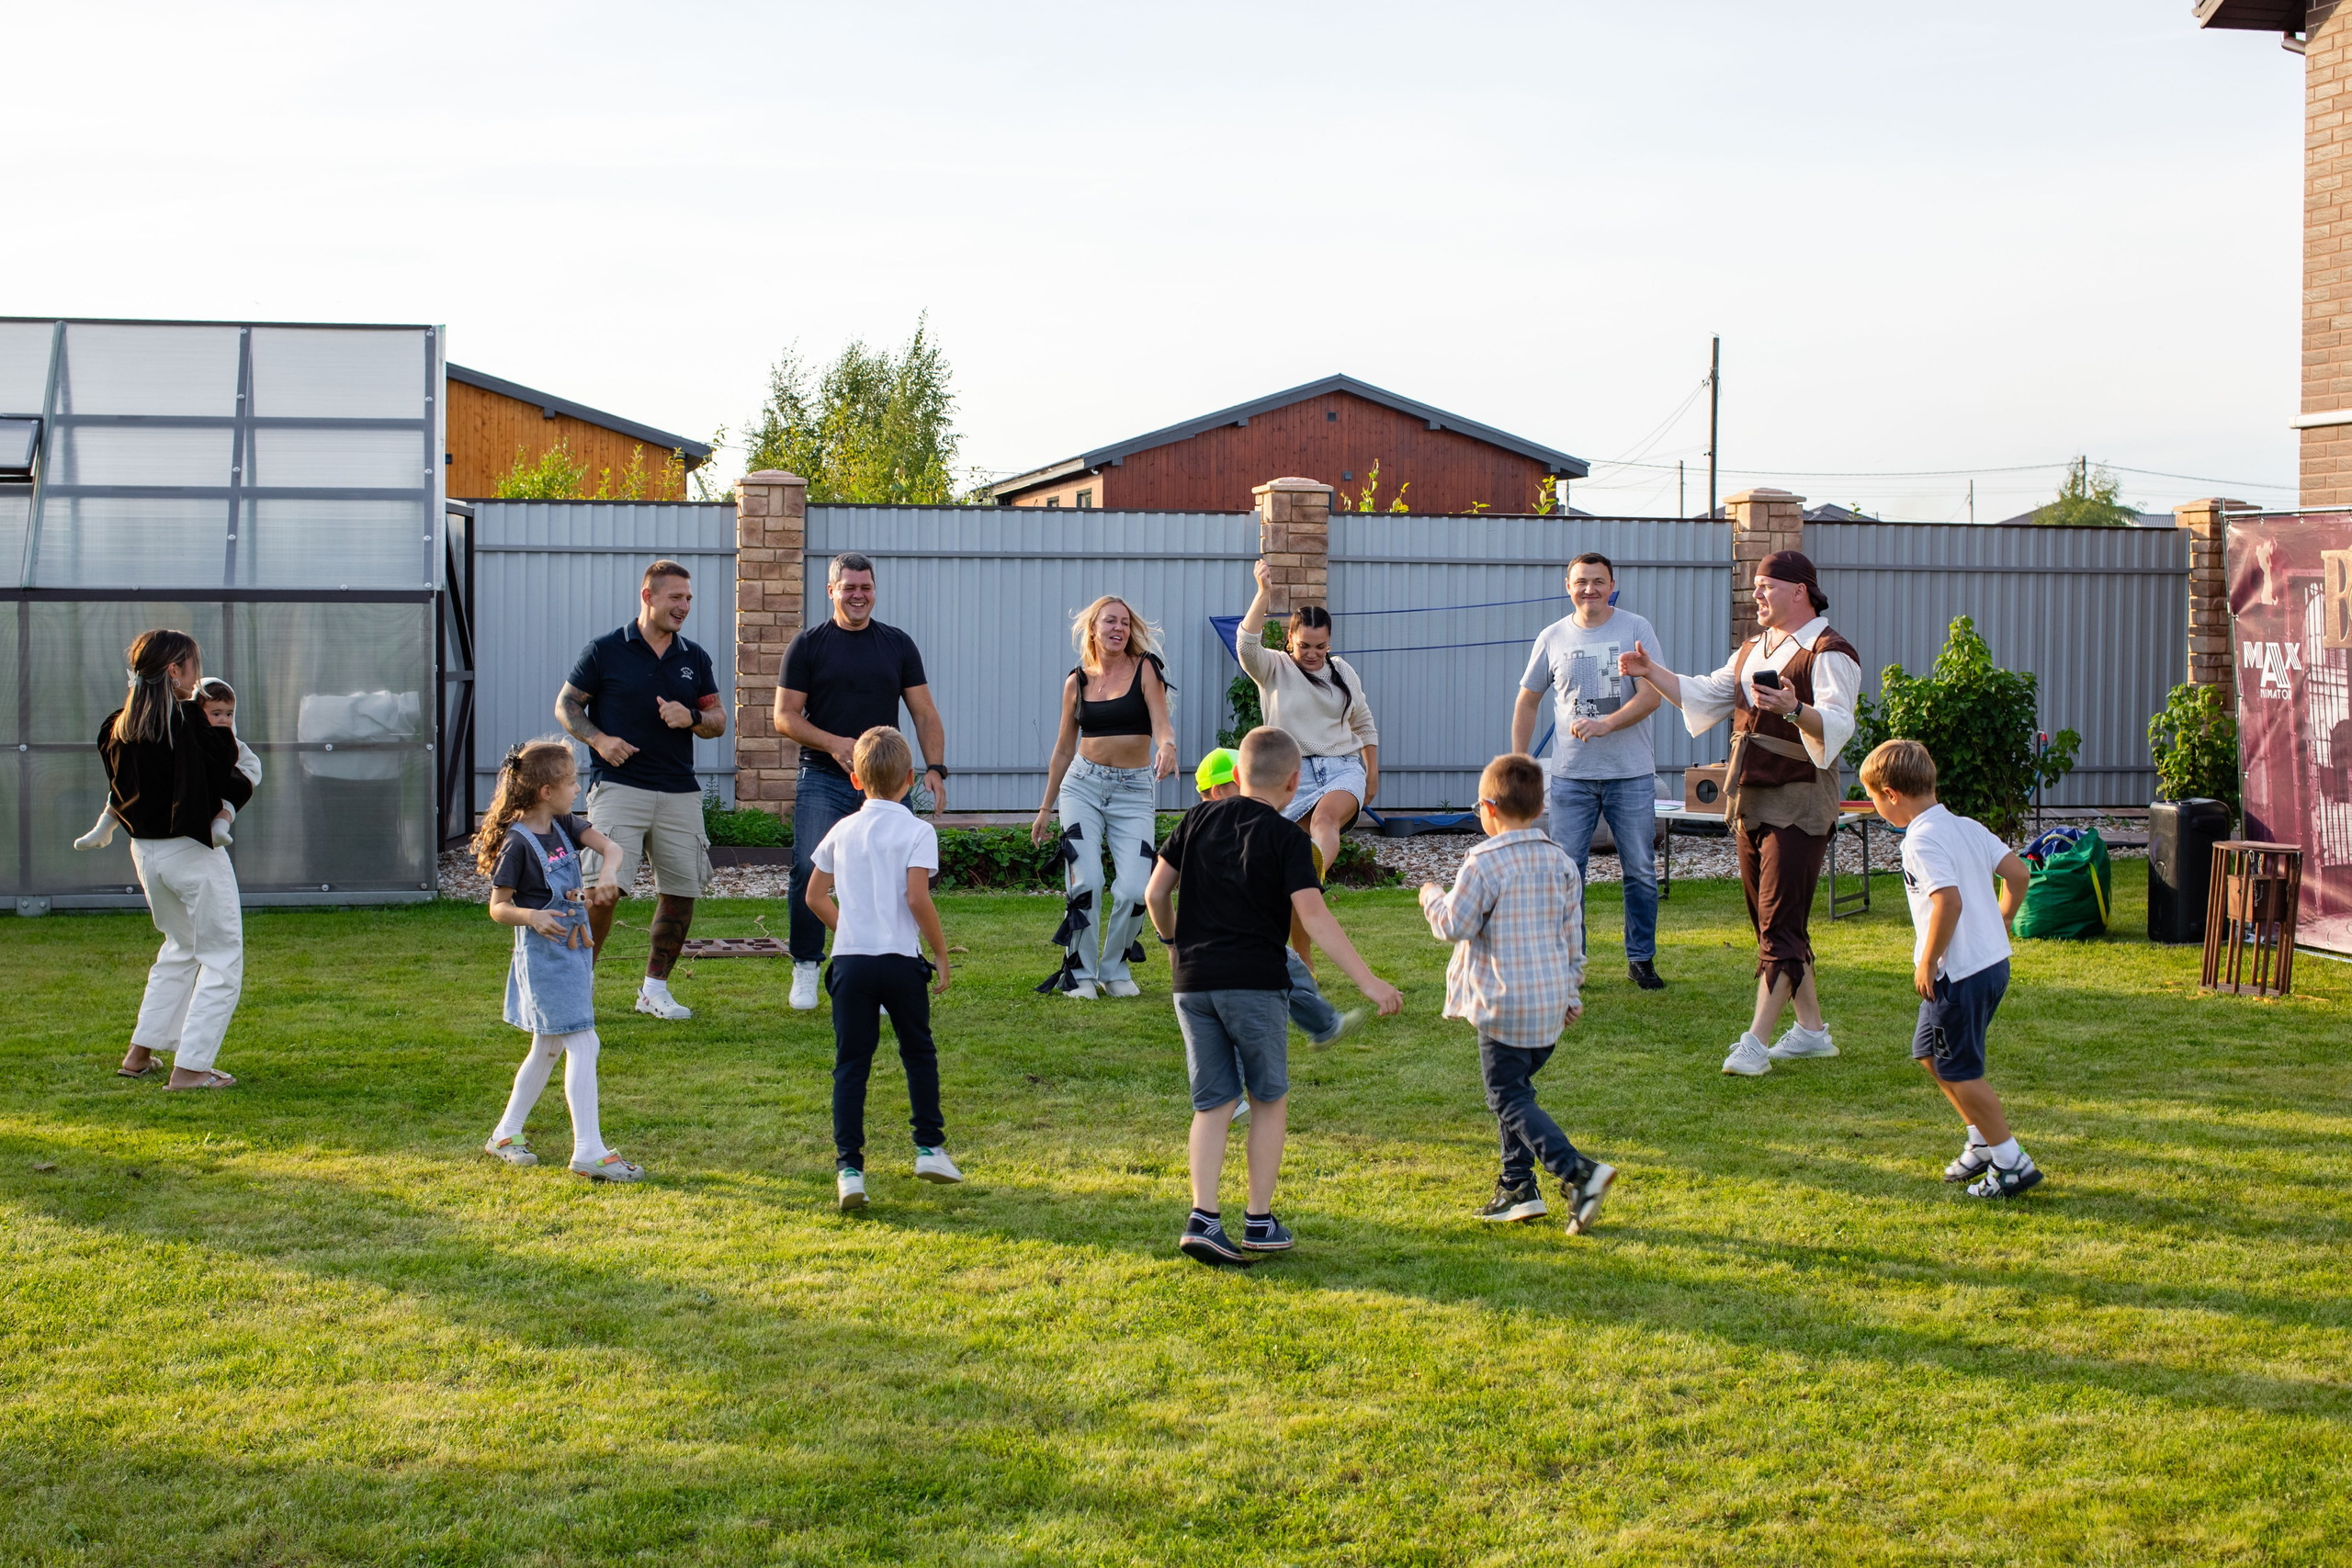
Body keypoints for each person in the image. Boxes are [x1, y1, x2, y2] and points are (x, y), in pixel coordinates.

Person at [1146, 726, 1403, 1268]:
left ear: (1237, 775)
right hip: (1255, 983)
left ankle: (1203, 1218)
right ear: (1294, 783)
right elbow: (1314, 917)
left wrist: (1172, 941)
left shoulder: (1194, 820)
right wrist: (1368, 982)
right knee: (1267, 1098)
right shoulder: (1290, 840)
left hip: (1192, 983)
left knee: (1212, 1102)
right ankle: (1259, 1222)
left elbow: (1155, 893)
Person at [1619, 551, 1861, 1077]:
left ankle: (1756, 1042)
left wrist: (1794, 709)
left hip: (1801, 796)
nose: (1756, 595)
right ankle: (1812, 1033)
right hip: (1751, 796)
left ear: (1799, 590)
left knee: (1778, 921)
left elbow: (1839, 725)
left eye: (1765, 585)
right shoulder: (1754, 649)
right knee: (1772, 921)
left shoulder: (1830, 651)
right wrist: (1650, 672)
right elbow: (1706, 694)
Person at [1419, 753, 1619, 1235]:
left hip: (1502, 1006)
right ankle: (1517, 1187)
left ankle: (1578, 1173)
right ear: (1540, 806)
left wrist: (1431, 897)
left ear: (1488, 808)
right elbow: (1573, 937)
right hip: (1549, 1005)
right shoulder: (1562, 862)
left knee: (1506, 1097)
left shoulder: (1484, 862)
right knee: (1517, 1091)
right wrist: (1572, 993)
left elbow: (1455, 924)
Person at [1860, 739, 2043, 1200]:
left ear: (1890, 794)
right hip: (1991, 964)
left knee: (1960, 1069)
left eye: (1873, 797)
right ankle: (1981, 1140)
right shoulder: (1966, 826)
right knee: (1929, 1052)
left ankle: (2011, 1162)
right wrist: (2002, 919)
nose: (1875, 806)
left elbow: (1949, 902)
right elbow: (2018, 874)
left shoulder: (1919, 841)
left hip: (1959, 975)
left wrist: (1927, 961)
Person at [775, 552, 950, 1012]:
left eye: (865, 587)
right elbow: (784, 716)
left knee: (900, 875)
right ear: (831, 590)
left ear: (875, 590)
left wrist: (935, 767)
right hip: (823, 776)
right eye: (849, 587)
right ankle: (807, 964)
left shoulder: (897, 644)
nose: (858, 595)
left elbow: (924, 712)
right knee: (808, 870)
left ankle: (899, 963)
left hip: (887, 782)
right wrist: (835, 743)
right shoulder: (808, 645)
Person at [556, 558, 728, 1022]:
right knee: (601, 890)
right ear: (648, 596)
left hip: (679, 791)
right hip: (619, 787)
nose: (684, 606)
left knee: (681, 892)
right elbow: (566, 704)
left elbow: (717, 720)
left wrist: (690, 717)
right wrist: (599, 740)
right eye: (676, 597)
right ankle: (577, 985)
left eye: (688, 599)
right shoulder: (605, 650)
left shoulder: (694, 657)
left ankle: (654, 991)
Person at [803, 726, 962, 1213]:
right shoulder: (918, 832)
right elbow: (917, 898)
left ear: (855, 779)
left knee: (851, 1065)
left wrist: (848, 927)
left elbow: (814, 896)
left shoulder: (841, 830)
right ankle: (929, 1148)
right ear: (911, 778)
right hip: (900, 963)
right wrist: (940, 952)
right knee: (918, 1052)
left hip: (851, 963)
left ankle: (849, 1171)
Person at [475, 739, 643, 1182]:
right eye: (571, 782)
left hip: (573, 952)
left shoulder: (565, 824)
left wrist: (608, 874)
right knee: (584, 1044)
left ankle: (505, 1134)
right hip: (544, 959)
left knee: (549, 1046)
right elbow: (498, 907)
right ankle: (589, 1151)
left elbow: (612, 849)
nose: (578, 789)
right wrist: (532, 916)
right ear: (546, 791)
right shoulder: (518, 843)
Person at [98, 630, 254, 1091]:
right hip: (191, 851)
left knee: (180, 948)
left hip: (146, 855)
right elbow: (225, 773)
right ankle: (191, 1070)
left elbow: (120, 793)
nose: (197, 675)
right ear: (173, 672)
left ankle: (139, 1054)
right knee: (222, 959)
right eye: (193, 666)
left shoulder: (116, 726)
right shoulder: (189, 723)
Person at [1512, 551, 1668, 990]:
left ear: (1611, 585)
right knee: (1568, 874)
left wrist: (1606, 724)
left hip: (1631, 774)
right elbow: (1527, 700)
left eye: (1598, 581)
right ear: (1568, 586)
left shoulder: (1636, 629)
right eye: (1581, 581)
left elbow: (1653, 696)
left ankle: (1641, 959)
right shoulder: (1552, 637)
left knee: (1640, 871)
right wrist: (1520, 761)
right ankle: (1570, 965)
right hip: (1571, 778)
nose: (1590, 589)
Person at [1031, 595, 1179, 999]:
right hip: (1082, 786)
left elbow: (1162, 724)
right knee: (1088, 881)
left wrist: (1167, 746)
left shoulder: (1145, 668)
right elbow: (1064, 749)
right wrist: (1045, 808)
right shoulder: (1077, 682)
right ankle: (1078, 973)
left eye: (1125, 623)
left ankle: (1113, 970)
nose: (1119, 629)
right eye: (1111, 621)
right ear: (1093, 629)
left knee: (1135, 888)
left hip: (1134, 790)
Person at [1193, 747, 1367, 1053]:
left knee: (1288, 975)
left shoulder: (1197, 827)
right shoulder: (1243, 829)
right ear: (1220, 790)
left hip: (1202, 952)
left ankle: (1325, 1026)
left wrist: (1172, 942)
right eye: (1241, 785)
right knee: (1255, 1008)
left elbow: (1160, 890)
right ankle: (1324, 1026)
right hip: (1244, 944)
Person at [1235, 559, 1378, 881]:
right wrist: (1263, 593)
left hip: (1342, 769)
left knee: (1324, 820)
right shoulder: (1274, 667)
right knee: (1285, 846)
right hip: (1292, 775)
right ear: (1290, 639)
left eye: (1320, 647)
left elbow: (1364, 723)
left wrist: (1372, 773)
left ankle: (1310, 880)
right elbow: (1246, 644)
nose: (1312, 654)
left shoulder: (1342, 671)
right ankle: (1295, 892)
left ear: (1329, 643)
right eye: (1304, 646)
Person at [79, 676, 258, 852]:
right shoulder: (186, 734)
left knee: (230, 800)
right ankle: (104, 827)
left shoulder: (232, 742)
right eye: (216, 714)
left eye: (229, 714)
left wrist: (238, 777)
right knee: (124, 787)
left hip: (214, 794)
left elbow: (249, 766)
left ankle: (220, 826)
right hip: (176, 796)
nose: (223, 719)